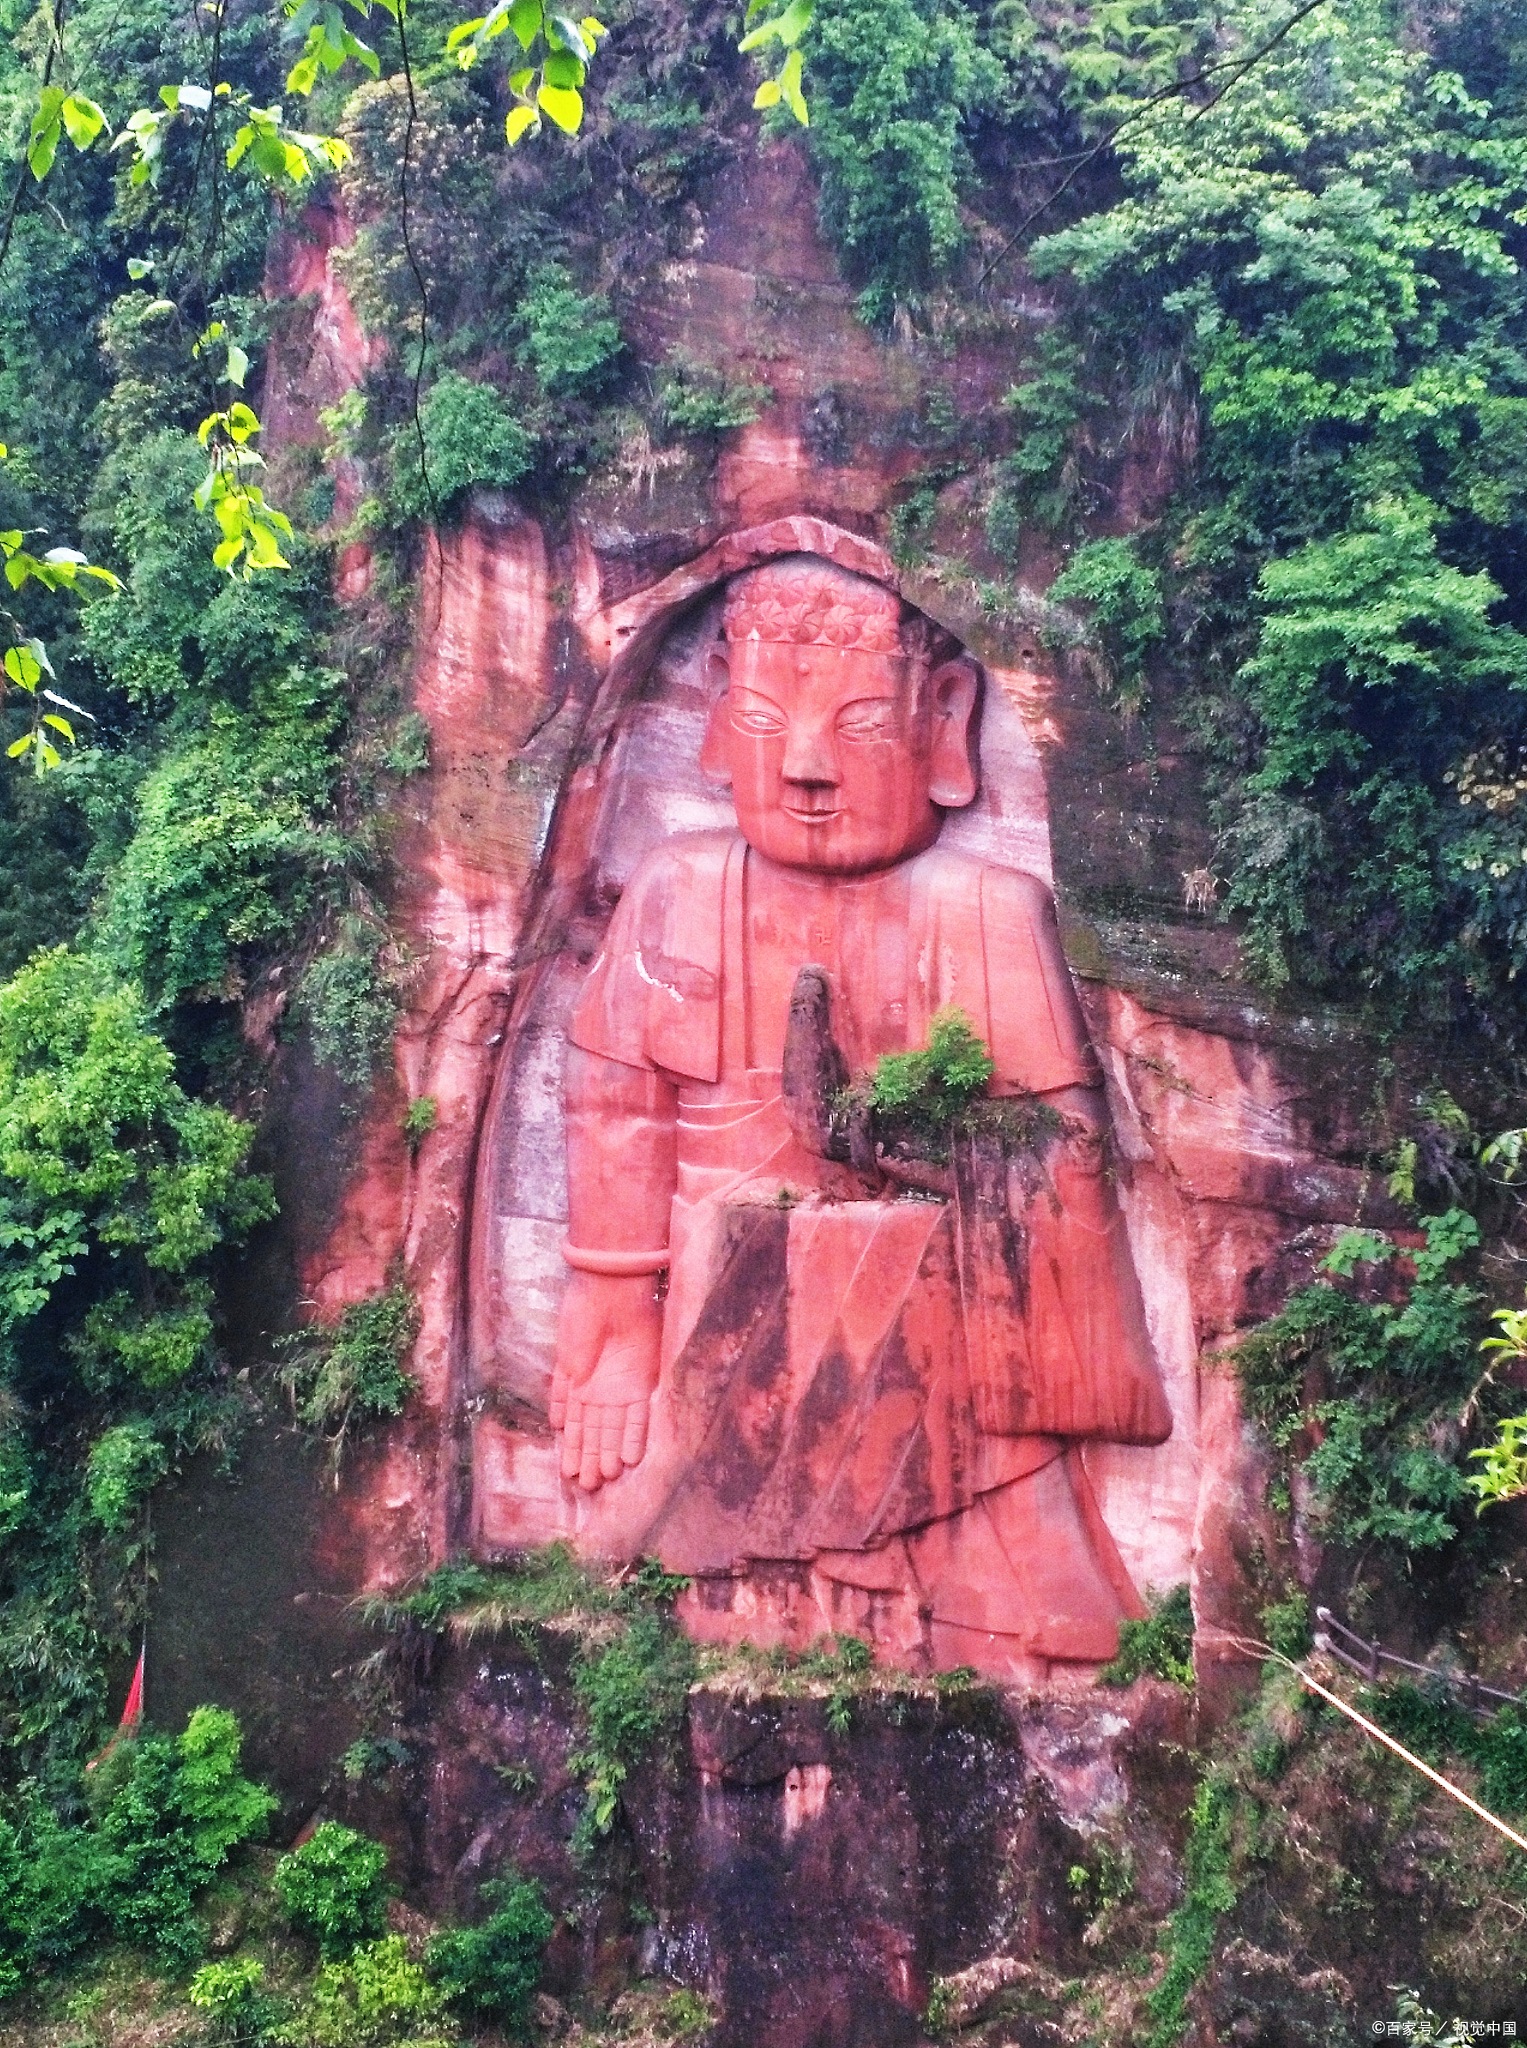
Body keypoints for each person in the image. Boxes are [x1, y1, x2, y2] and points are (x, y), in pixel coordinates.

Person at [549, 554, 1171, 1677]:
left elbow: (1061, 1170)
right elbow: (615, 1101)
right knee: (750, 1260)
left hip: (912, 1271)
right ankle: (728, 1545)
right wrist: (610, 1320)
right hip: (712, 1287)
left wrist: (875, 1142)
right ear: (716, 722)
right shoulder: (682, 884)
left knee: (916, 1252)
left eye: (861, 723)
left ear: (943, 720)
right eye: (760, 718)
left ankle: (1021, 1533)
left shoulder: (983, 909)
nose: (804, 767)